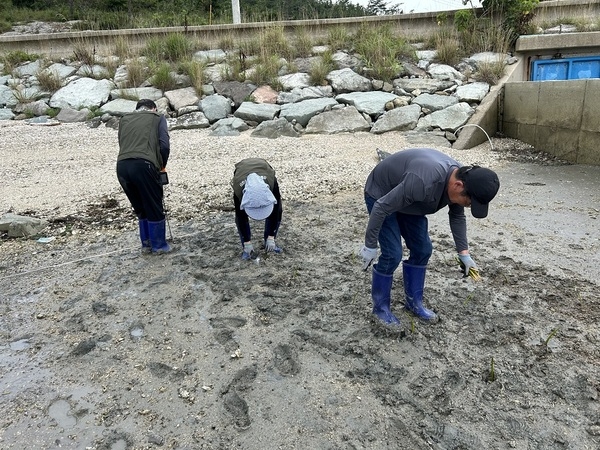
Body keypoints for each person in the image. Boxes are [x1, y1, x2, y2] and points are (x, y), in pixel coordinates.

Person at [359, 148, 500, 326]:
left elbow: (456, 216)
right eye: (470, 203)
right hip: (382, 193)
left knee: (423, 249)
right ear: (458, 186)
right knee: (392, 254)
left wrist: (464, 253)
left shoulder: (462, 180)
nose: (468, 206)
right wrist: (370, 246)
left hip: (411, 200)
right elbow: (381, 207)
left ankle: (414, 303)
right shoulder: (424, 181)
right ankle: (380, 310)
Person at [116, 99, 172, 254]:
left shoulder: (125, 119)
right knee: (154, 205)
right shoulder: (157, 118)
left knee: (140, 208)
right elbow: (164, 145)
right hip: (144, 165)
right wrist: (161, 165)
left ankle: (146, 245)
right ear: (153, 109)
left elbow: (122, 143)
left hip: (121, 166)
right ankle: (159, 246)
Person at [232, 158, 283, 259]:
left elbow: (277, 210)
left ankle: (269, 241)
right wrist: (246, 243)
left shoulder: (271, 183)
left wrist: (271, 237)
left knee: (277, 209)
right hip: (242, 169)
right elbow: (240, 216)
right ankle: (247, 248)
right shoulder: (238, 189)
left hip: (263, 167)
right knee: (241, 214)